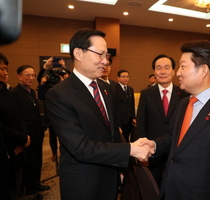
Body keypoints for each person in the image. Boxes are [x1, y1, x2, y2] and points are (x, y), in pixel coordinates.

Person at [45, 28, 153, 200]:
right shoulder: (59, 94)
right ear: (78, 54)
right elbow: (80, 147)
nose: (105, 61)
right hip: (83, 183)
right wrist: (130, 149)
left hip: (110, 176)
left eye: (107, 56)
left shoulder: (106, 88)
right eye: (100, 55)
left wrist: (119, 169)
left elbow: (111, 134)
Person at [140, 40, 210, 200]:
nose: (178, 72)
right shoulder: (184, 103)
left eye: (183, 66)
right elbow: (174, 138)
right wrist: (155, 144)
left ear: (203, 70)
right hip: (171, 190)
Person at [135, 54, 188, 186]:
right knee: (153, 183)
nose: (163, 71)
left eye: (167, 67)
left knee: (174, 182)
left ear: (174, 71)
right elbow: (141, 122)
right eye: (159, 68)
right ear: (154, 72)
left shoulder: (184, 93)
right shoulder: (146, 93)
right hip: (153, 148)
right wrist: (141, 149)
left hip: (177, 148)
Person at [0, 51, 31, 200]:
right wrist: (23, 138)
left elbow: (18, 116)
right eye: (2, 69)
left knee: (16, 186)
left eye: (6, 69)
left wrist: (24, 139)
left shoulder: (5, 90)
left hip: (17, 148)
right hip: (2, 151)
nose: (5, 73)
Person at [10, 65, 47, 199]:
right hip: (27, 136)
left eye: (33, 75)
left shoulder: (31, 91)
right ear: (19, 76)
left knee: (37, 161)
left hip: (37, 134)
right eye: (28, 75)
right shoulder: (14, 93)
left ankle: (36, 184)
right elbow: (16, 118)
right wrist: (24, 136)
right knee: (29, 164)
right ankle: (30, 192)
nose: (31, 78)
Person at [38, 57, 70, 162]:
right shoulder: (48, 73)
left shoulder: (64, 75)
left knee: (64, 133)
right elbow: (41, 83)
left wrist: (64, 68)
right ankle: (54, 153)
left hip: (64, 111)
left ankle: (64, 152)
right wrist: (45, 67)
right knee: (52, 134)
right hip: (51, 110)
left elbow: (71, 81)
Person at [117, 69, 136, 142]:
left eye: (127, 77)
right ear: (118, 78)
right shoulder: (115, 88)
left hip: (129, 119)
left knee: (128, 137)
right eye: (123, 76)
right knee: (121, 139)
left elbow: (132, 104)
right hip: (120, 119)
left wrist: (133, 117)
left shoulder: (130, 89)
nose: (125, 78)